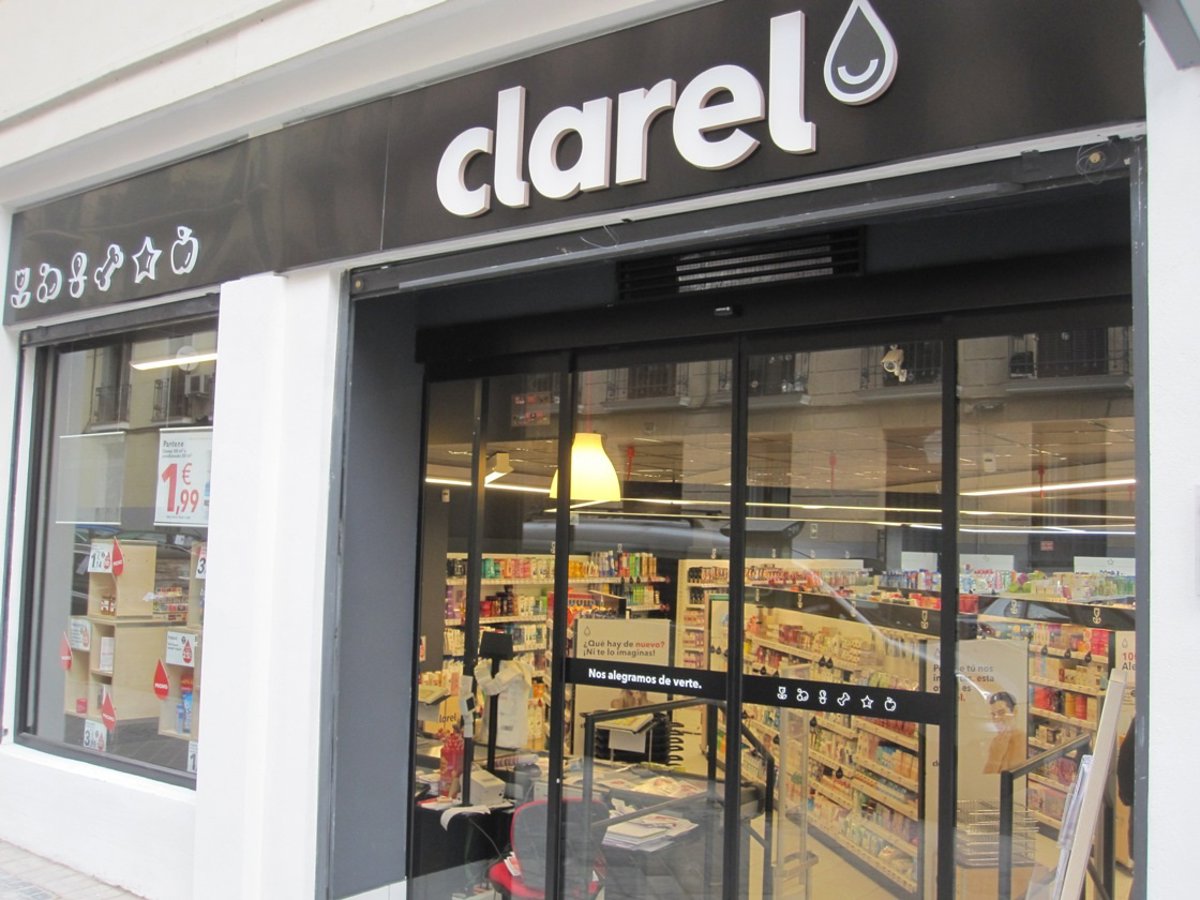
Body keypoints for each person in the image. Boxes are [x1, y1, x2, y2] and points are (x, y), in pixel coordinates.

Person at [983, 691, 1027, 774]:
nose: (997, 719)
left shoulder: (1021, 740)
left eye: (1001, 712)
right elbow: (986, 777)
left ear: (1014, 711)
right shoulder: (996, 742)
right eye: (993, 715)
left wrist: (997, 755)